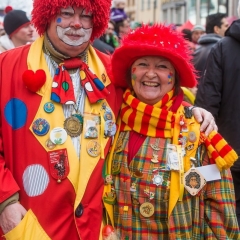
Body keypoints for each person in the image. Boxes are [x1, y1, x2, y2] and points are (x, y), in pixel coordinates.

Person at [0, 1, 219, 239]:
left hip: (95, 225)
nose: (76, 23)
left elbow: (149, 100)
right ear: (48, 15)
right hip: (33, 219)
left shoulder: (111, 70)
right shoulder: (6, 67)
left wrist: (189, 111)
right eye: (66, 13)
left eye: (86, 16)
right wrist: (5, 200)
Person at [103, 24, 239, 239]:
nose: (150, 73)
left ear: (174, 76)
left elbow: (219, 202)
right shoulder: (110, 118)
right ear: (131, 72)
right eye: (142, 64)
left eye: (162, 66)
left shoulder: (198, 129)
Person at [195, 1, 240, 226]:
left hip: (226, 153)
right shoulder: (223, 48)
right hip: (227, 156)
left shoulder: (223, 48)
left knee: (226, 217)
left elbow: (206, 106)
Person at [193, 13, 229, 87]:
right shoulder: (221, 50)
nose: (229, 29)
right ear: (217, 29)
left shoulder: (197, 49)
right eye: (226, 26)